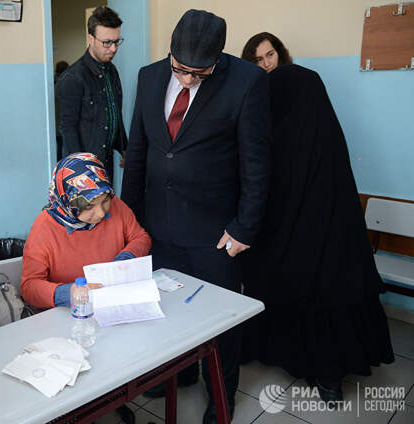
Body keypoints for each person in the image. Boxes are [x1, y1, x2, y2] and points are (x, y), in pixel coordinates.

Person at [121, 10, 271, 423]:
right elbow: (138, 152)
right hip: (157, 226)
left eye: (198, 73)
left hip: (216, 233)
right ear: (170, 49)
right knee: (166, 311)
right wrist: (127, 221)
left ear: (218, 58)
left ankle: (219, 395)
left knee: (219, 322)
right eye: (180, 69)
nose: (186, 79)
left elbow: (257, 164)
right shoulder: (149, 76)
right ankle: (178, 372)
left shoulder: (247, 82)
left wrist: (244, 227)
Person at [237, 56, 395, 399]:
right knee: (327, 299)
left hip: (294, 248)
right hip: (333, 252)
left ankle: (287, 357)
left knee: (289, 289)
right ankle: (329, 377)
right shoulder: (327, 136)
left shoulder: (278, 140)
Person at [21, 152, 151, 310]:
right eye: (89, 206)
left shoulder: (117, 205)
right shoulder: (44, 227)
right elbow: (29, 286)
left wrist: (125, 258)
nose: (101, 213)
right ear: (66, 199)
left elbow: (141, 238)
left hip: (114, 304)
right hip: (70, 314)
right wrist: (68, 293)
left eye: (105, 202)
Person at [56, 6, 127, 180]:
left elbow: (115, 114)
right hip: (83, 168)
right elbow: (68, 127)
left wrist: (125, 149)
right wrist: (81, 169)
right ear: (90, 38)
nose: (113, 49)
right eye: (106, 42)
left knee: (108, 207)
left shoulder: (112, 71)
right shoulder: (73, 77)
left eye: (117, 41)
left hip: (106, 160)